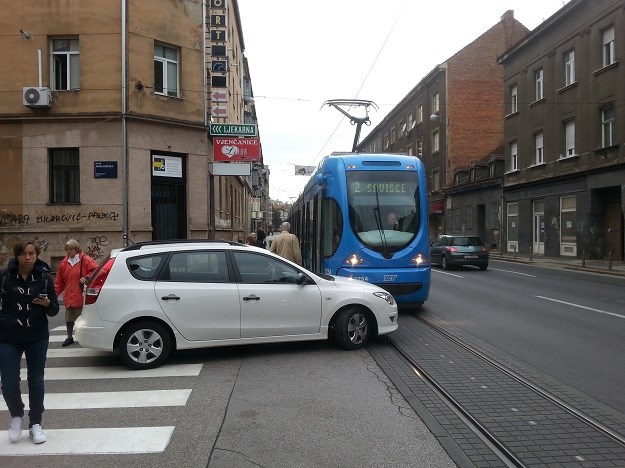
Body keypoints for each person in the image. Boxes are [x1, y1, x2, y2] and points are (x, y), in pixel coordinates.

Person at [0, 240, 59, 444]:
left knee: (36, 381)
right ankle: (17, 415)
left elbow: (54, 311)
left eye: (32, 253)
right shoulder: (5, 276)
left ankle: (36, 423)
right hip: (8, 336)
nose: (28, 257)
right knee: (8, 382)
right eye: (24, 254)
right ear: (17, 256)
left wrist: (48, 303)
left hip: (37, 336)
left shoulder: (44, 277)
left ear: (36, 254)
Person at [54, 239, 98, 347]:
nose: (68, 251)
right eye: (67, 249)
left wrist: (86, 277)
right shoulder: (64, 263)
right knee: (69, 319)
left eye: (71, 249)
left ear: (76, 249)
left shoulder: (85, 259)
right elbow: (59, 281)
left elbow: (96, 270)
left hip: (81, 294)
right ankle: (69, 337)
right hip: (69, 294)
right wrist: (54, 295)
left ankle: (84, 337)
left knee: (83, 318)